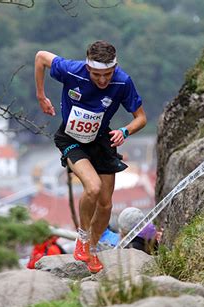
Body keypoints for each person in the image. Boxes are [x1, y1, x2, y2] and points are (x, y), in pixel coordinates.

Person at [34, 40, 147, 273]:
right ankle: (82, 239)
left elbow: (141, 118)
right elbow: (41, 57)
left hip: (101, 141)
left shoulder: (122, 81)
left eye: (107, 74)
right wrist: (41, 95)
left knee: (105, 204)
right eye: (97, 74)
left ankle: (92, 249)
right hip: (71, 139)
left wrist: (125, 131)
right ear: (88, 68)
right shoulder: (72, 71)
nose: (103, 80)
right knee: (93, 188)